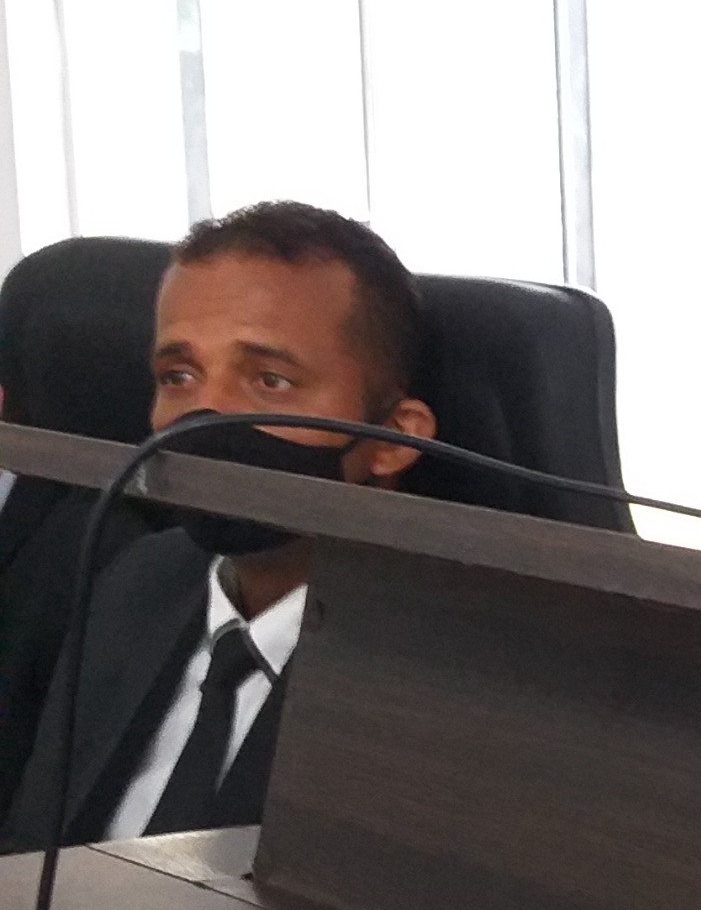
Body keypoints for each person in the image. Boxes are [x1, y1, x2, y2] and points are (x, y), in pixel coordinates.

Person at [0, 203, 434, 855]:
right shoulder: (135, 582)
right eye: (178, 376)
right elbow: (28, 860)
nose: (207, 412)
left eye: (270, 380)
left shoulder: (445, 682)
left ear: (395, 439)